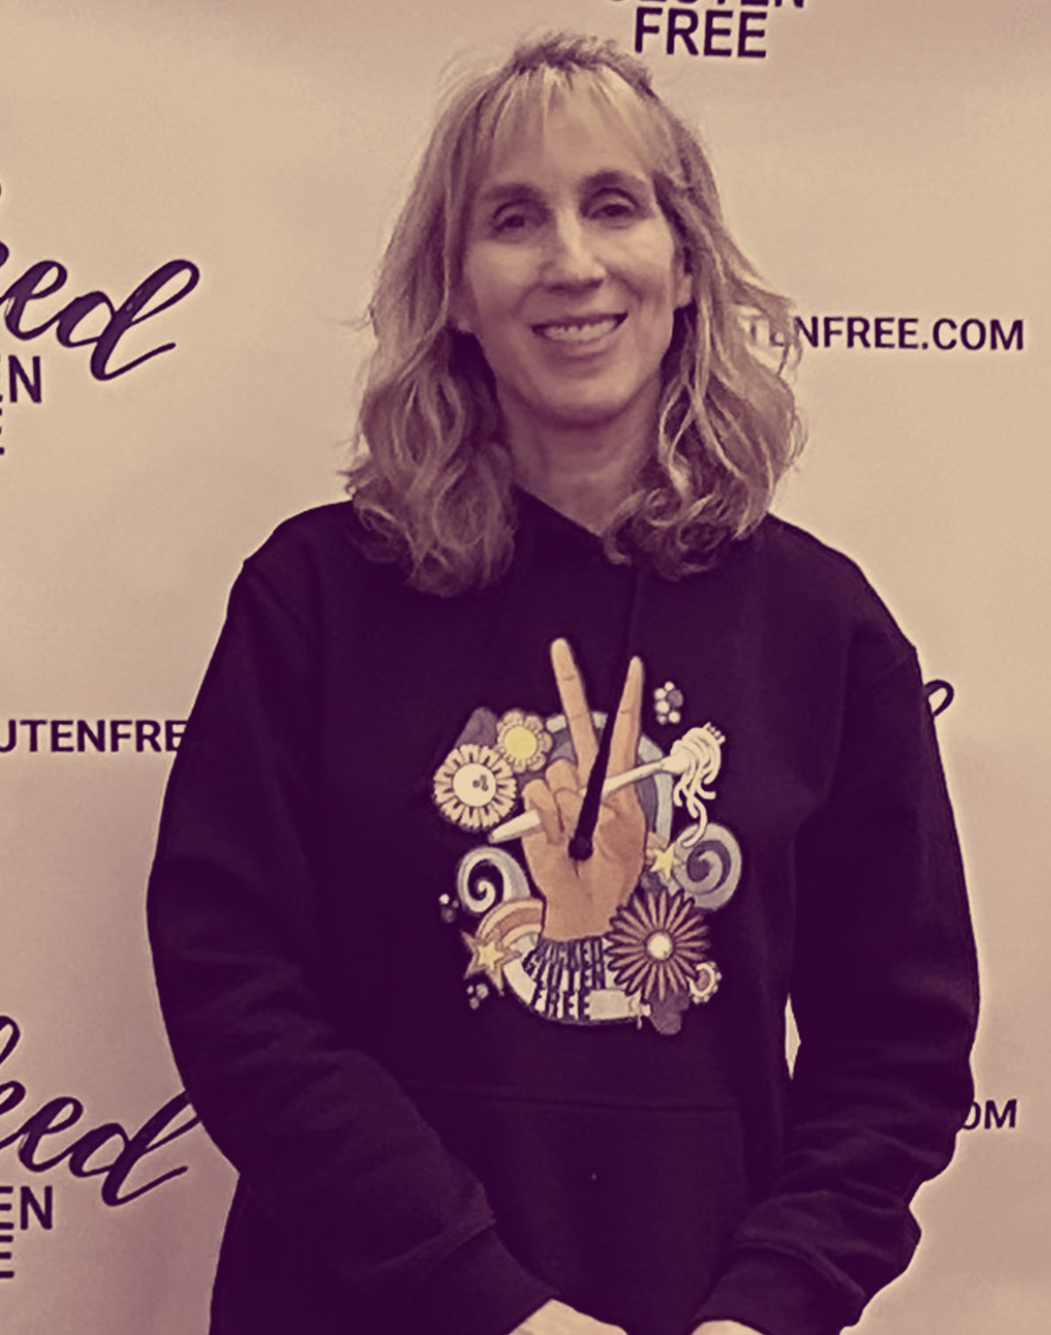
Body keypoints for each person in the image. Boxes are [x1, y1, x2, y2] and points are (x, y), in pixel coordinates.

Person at [146, 32, 977, 1335]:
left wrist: (769, 1308)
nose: (573, 263)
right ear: (457, 290)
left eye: (614, 206)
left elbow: (899, 1056)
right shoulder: (314, 598)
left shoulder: (825, 627)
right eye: (515, 219)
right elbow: (234, 992)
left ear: (684, 263)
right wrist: (489, 1304)